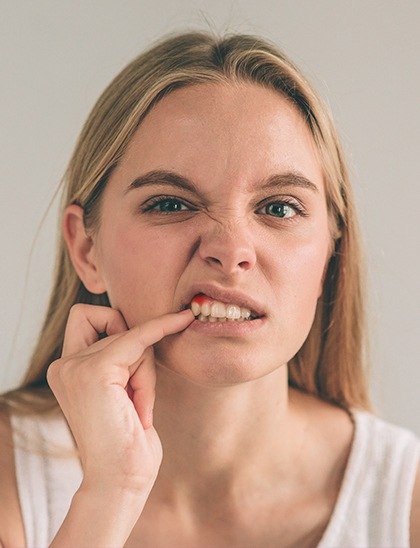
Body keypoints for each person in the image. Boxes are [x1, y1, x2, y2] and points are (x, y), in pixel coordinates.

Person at [0, 30, 418, 547]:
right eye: (171, 204)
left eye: (279, 208)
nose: (231, 248)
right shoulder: (9, 480)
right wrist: (111, 491)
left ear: (331, 256)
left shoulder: (408, 503)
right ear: (87, 251)